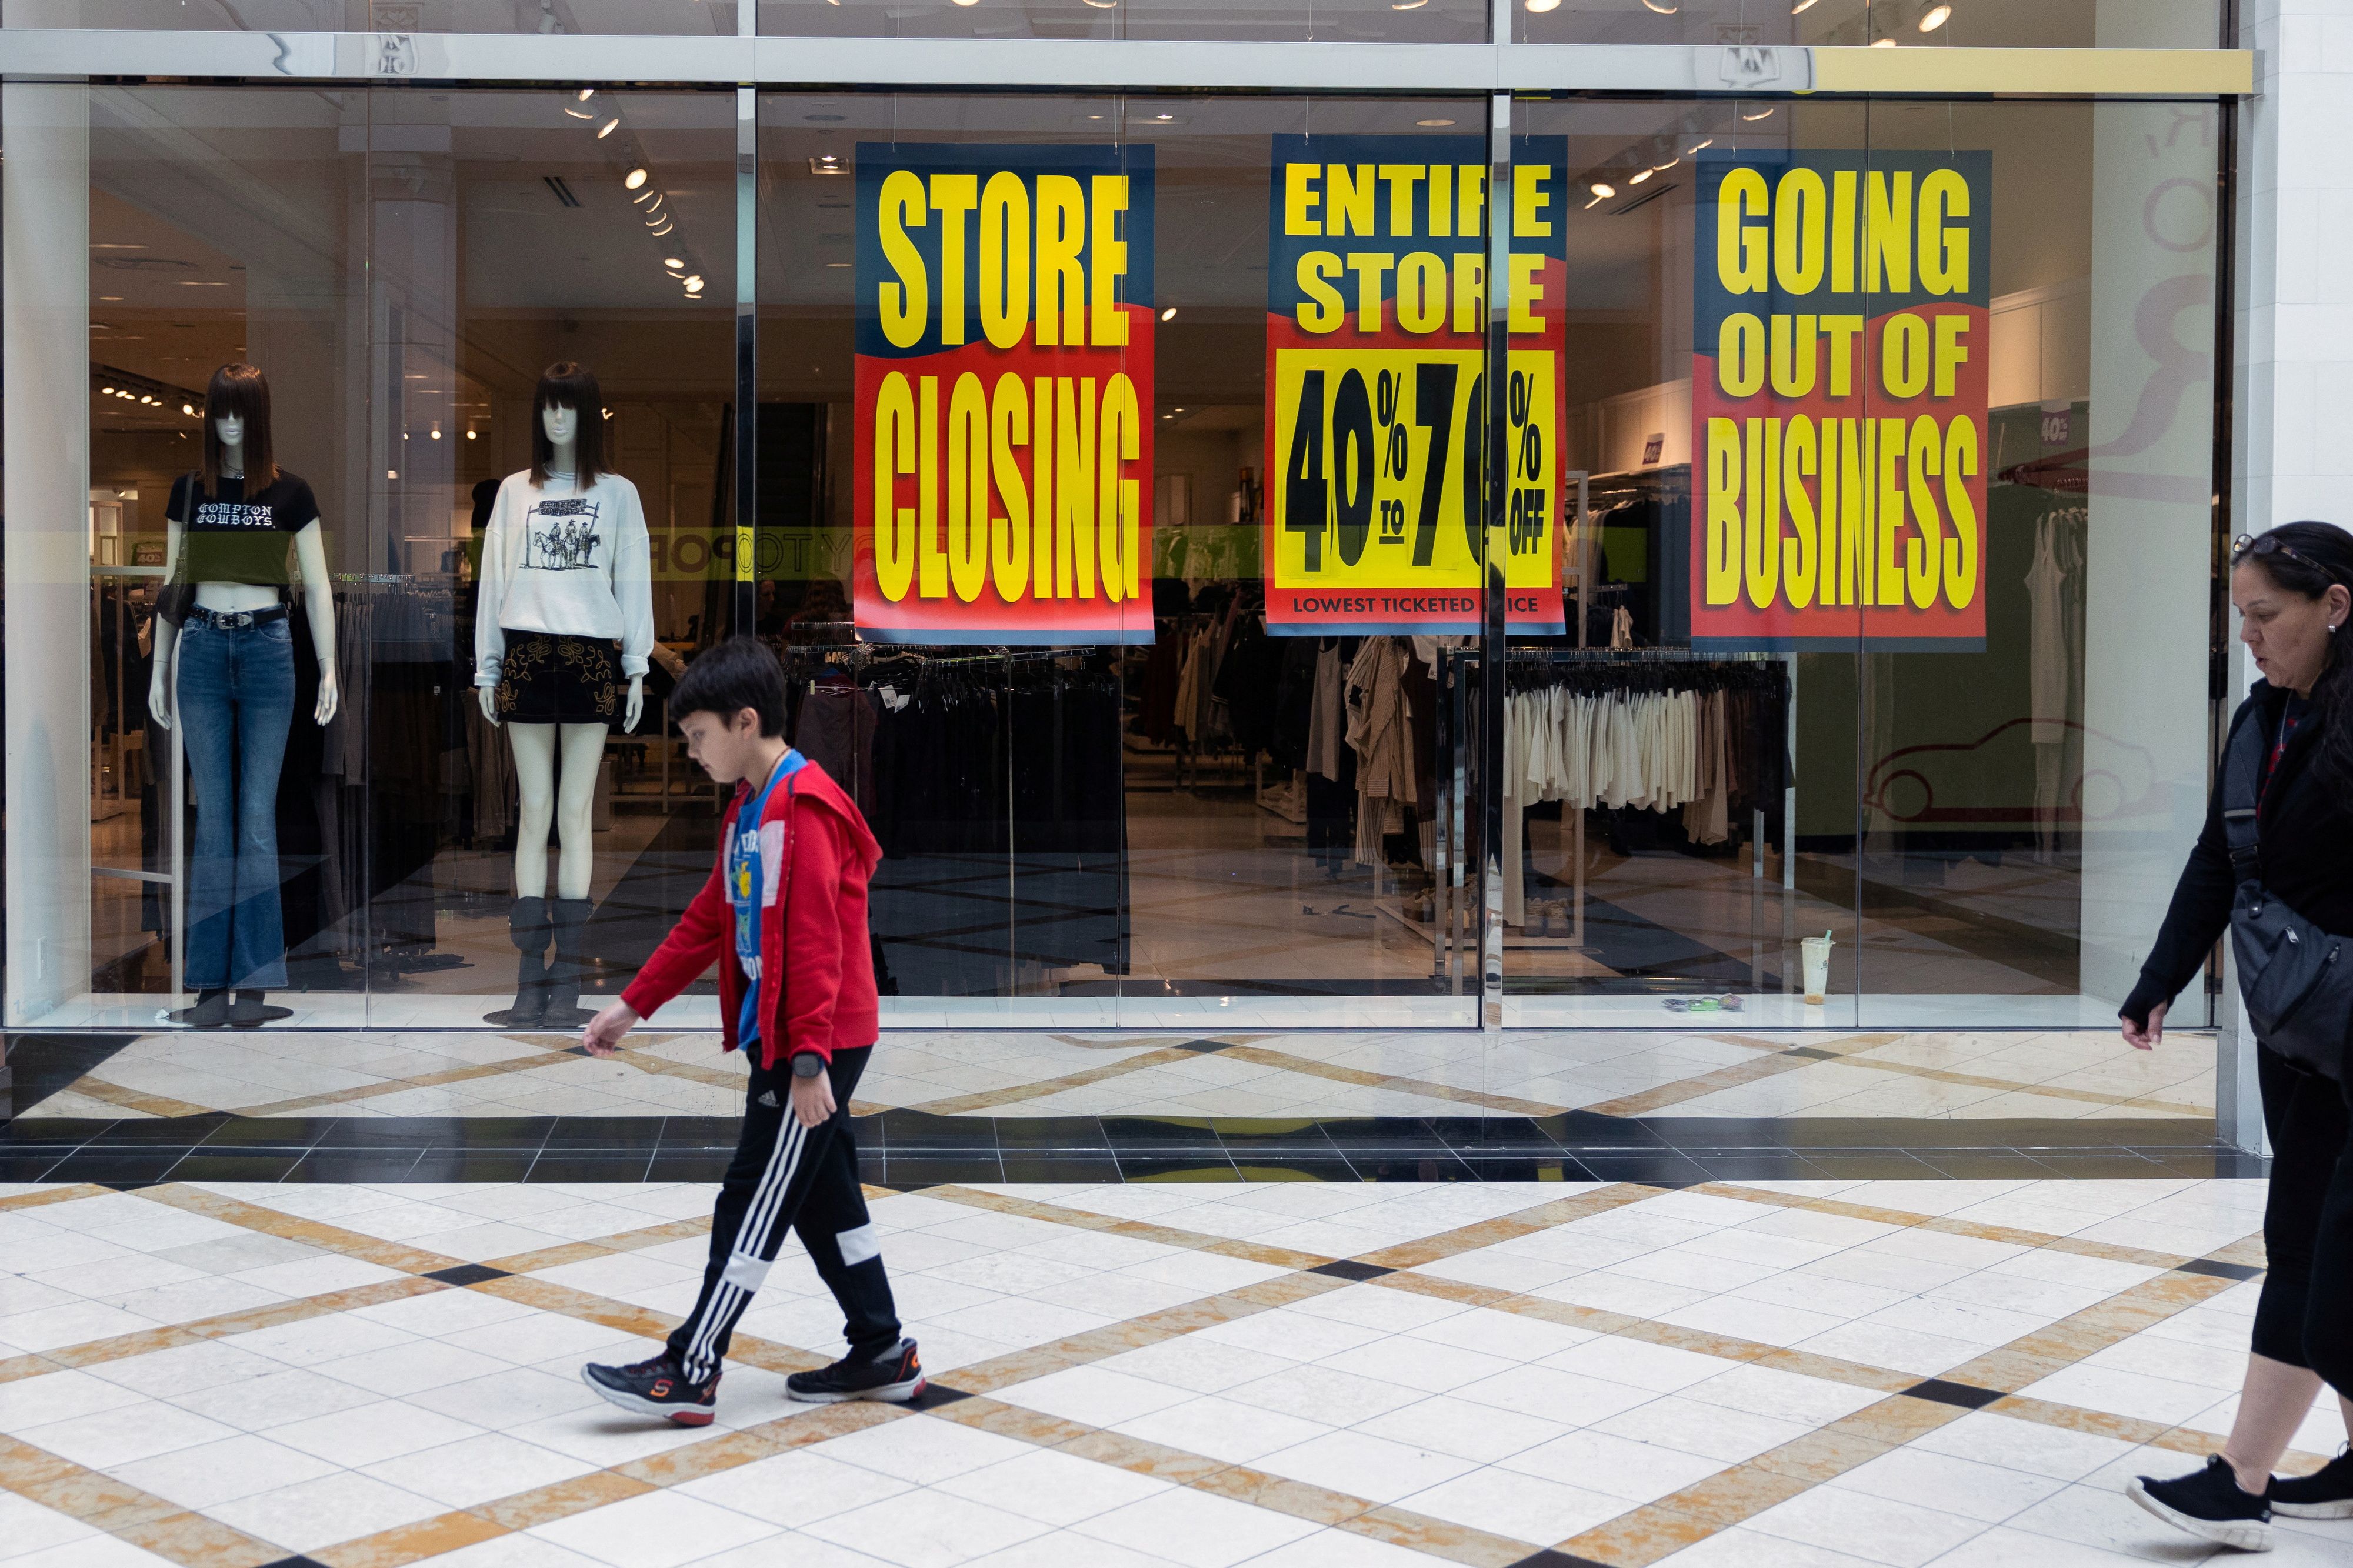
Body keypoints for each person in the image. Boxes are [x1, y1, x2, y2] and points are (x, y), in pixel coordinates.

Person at [578, 636, 922, 1424]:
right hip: (795, 1033)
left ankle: (693, 1365)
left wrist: (807, 1059)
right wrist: (635, 1004)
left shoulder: (800, 808)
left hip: (817, 1039)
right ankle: (881, 1348)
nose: (693, 752)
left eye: (699, 737)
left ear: (744, 721)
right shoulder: (751, 809)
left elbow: (816, 944)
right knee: (820, 1196)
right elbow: (711, 919)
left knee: (754, 1193)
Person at [2121, 522, 2353, 1551]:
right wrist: (2160, 978)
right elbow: (2220, 858)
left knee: (2321, 1256)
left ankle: (2243, 1481)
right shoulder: (2265, 720)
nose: (2251, 638)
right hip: (2302, 1028)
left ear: (2335, 606)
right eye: (2242, 619)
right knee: (2308, 1243)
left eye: (2268, 617)